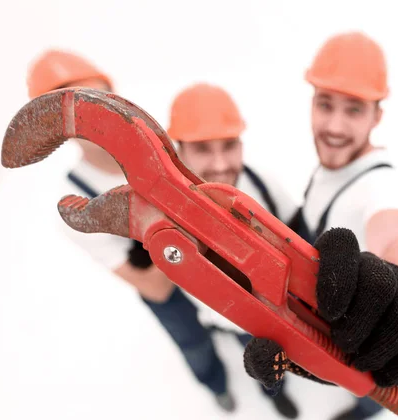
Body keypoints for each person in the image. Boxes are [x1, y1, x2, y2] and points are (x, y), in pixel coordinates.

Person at [24, 50, 297, 417]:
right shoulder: (74, 205)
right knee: (194, 345)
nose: (91, 117)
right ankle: (216, 387)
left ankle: (273, 391)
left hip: (224, 272)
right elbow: (155, 286)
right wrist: (175, 227)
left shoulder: (168, 152)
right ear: (54, 127)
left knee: (256, 336)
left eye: (96, 100)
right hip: (167, 289)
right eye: (74, 109)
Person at [243, 31, 398, 420]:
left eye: (353, 109)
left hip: (365, 349)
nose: (334, 126)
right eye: (325, 104)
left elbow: (397, 232)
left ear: (377, 116)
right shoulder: (331, 165)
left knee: (376, 380)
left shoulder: (386, 185)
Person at [167, 82, 300, 418]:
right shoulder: (162, 207)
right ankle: (219, 389)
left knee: (269, 369)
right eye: (201, 148)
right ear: (178, 149)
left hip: (262, 321)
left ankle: (273, 395)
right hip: (208, 315)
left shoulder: (265, 186)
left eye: (229, 145)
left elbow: (300, 239)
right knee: (200, 353)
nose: (220, 163)